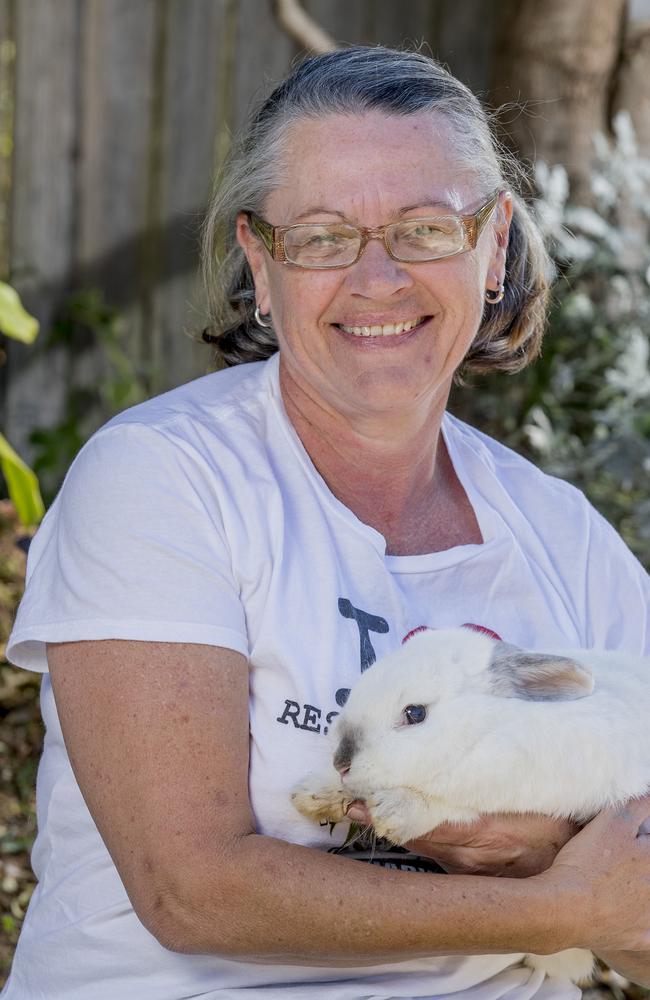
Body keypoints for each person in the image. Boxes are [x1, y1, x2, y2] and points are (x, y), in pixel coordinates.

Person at [3, 45, 650, 1000]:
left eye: (427, 228)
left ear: (494, 246)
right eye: (321, 236)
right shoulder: (165, 480)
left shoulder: (563, 537)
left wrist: (552, 863)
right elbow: (192, 890)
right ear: (260, 264)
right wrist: (560, 905)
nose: (378, 277)